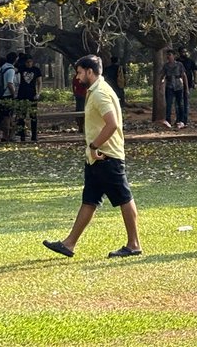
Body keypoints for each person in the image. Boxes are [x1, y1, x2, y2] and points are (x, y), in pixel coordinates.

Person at [43, 54, 142, 259]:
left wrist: (95, 145)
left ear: (90, 71)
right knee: (89, 200)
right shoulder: (96, 91)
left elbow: (112, 123)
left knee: (124, 197)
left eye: (79, 72)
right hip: (96, 156)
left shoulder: (100, 93)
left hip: (106, 156)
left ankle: (134, 244)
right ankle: (68, 244)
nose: (77, 77)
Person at [16, 53, 42, 142]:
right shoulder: (21, 69)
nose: (29, 64)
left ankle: (34, 136)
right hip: (22, 95)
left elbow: (39, 82)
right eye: (27, 62)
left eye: (30, 62)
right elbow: (15, 67)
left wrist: (38, 93)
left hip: (32, 95)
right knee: (21, 116)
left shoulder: (36, 70)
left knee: (33, 116)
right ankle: (22, 136)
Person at [161, 50, 187, 129]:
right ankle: (168, 120)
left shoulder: (179, 65)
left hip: (178, 85)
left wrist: (186, 88)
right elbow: (162, 76)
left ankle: (181, 121)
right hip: (169, 86)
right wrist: (161, 84)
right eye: (167, 55)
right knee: (169, 103)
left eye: (169, 55)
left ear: (174, 56)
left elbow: (184, 76)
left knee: (180, 104)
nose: (168, 56)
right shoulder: (166, 66)